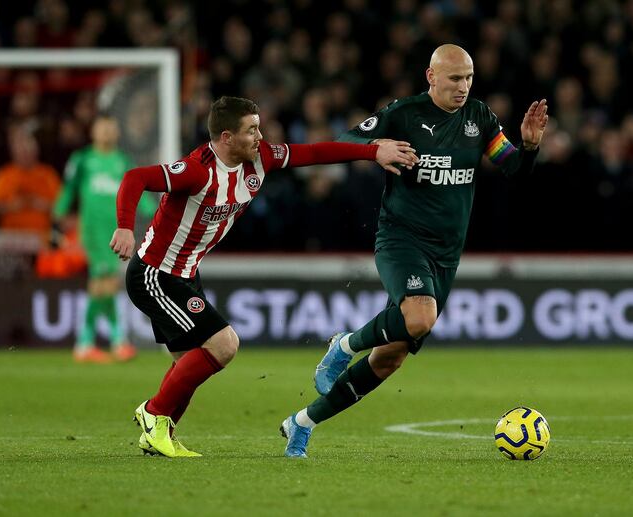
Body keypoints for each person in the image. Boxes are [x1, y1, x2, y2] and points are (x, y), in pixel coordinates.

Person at [110, 96, 417, 458]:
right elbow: (135, 178)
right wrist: (126, 228)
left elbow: (314, 153)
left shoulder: (262, 158)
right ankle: (153, 413)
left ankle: (158, 435)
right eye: (251, 129)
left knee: (188, 364)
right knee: (224, 345)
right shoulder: (196, 170)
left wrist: (371, 151)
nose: (260, 136)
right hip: (155, 274)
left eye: (259, 126)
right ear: (226, 137)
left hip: (186, 273)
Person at [280, 44, 548, 458]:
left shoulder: (478, 117)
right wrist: (376, 149)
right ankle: (344, 346)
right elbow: (347, 138)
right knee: (420, 318)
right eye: (455, 78)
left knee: (390, 358)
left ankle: (302, 423)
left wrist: (528, 147)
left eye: (469, 78)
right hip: (402, 239)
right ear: (431, 77)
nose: (463, 87)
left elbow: (512, 167)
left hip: (446, 255)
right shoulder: (403, 114)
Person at [53, 115, 157, 363]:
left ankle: (94, 342)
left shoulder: (122, 161)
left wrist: (155, 209)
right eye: (103, 128)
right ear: (93, 132)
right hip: (92, 231)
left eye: (112, 128)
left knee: (102, 285)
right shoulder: (83, 160)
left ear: (117, 133)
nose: (108, 132)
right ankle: (105, 341)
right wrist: (57, 216)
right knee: (106, 283)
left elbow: (135, 191)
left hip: (116, 230)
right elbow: (69, 188)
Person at [0, 127, 61, 242]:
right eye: (21, 151)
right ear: (13, 153)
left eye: (28, 151)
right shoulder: (4, 175)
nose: (24, 155)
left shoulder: (48, 174)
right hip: (10, 240)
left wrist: (45, 205)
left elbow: (63, 206)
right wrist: (9, 206)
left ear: (36, 152)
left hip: (42, 239)